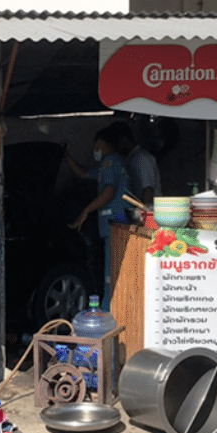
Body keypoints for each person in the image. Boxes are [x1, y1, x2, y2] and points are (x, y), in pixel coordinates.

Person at [64, 123, 131, 310]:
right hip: (113, 225)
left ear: (104, 143)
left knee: (112, 275)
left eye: (97, 145)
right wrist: (67, 157)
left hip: (115, 224)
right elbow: (85, 174)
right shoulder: (109, 164)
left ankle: (108, 313)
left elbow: (108, 191)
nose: (95, 149)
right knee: (112, 272)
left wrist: (86, 211)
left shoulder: (111, 162)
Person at [114, 121, 162, 205]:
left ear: (123, 139)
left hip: (149, 210)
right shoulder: (132, 158)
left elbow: (148, 189)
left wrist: (143, 213)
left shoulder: (140, 158)